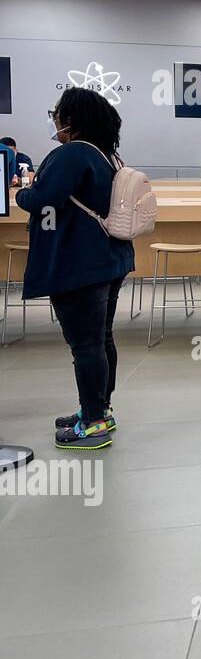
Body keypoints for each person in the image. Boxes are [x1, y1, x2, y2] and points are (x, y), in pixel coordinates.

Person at [15, 88, 135, 449]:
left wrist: (22, 191)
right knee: (101, 338)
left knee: (85, 344)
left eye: (57, 112)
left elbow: (42, 199)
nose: (54, 118)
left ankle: (94, 422)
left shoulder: (70, 155)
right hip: (109, 259)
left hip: (79, 262)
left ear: (70, 119)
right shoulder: (107, 155)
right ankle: (98, 410)